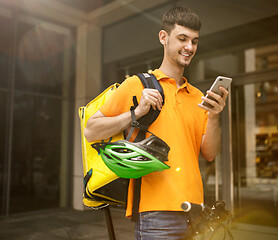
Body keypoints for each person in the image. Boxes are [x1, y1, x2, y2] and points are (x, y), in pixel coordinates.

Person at [84, 7, 229, 240]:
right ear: (164, 37)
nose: (189, 47)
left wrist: (214, 116)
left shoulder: (197, 96)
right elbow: (91, 130)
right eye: (182, 39)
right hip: (156, 214)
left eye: (194, 41)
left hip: (194, 210)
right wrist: (136, 112)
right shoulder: (136, 85)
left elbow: (210, 153)